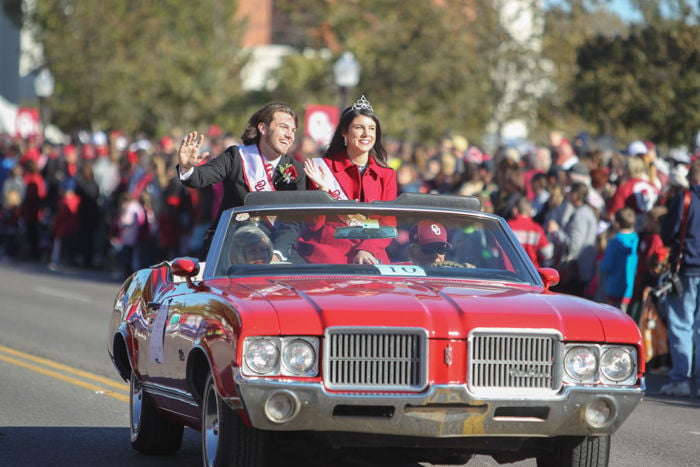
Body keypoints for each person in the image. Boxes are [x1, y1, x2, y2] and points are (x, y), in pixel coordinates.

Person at [177, 102, 306, 260]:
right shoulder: (237, 157)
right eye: (283, 127)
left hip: (276, 253)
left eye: (293, 130)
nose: (290, 135)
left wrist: (277, 254)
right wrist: (187, 167)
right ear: (263, 128)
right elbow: (201, 177)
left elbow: (293, 221)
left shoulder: (296, 170)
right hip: (231, 250)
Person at [299, 95, 397, 265]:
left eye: (372, 128)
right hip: (327, 257)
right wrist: (323, 192)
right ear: (344, 132)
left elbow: (388, 224)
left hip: (371, 257)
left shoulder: (386, 174)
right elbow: (313, 226)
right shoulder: (321, 168)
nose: (366, 134)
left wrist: (367, 249)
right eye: (359, 127)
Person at [659, 160, 700, 397]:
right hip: (690, 267)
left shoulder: (685, 199)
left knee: (682, 324)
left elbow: (668, 233)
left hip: (686, 267)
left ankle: (681, 379)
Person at [547, 182, 598, 297]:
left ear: (575, 195)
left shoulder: (581, 215)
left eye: (570, 193)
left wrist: (556, 231)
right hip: (581, 271)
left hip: (577, 273)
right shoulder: (585, 212)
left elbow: (574, 244)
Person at [599, 207, 639, 312]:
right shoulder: (636, 241)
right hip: (630, 289)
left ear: (617, 224)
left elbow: (607, 266)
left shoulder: (615, 242)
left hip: (614, 289)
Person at [506, 195, 553, 268]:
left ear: (515, 210)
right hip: (531, 272)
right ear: (531, 211)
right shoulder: (536, 229)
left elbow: (495, 249)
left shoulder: (508, 226)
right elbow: (548, 253)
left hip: (511, 271)